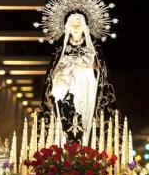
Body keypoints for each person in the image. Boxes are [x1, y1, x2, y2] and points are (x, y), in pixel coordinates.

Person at [41, 11, 117, 145]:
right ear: (67, 26)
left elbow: (100, 72)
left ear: (85, 27)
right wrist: (64, 71)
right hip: (65, 91)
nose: (76, 27)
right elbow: (53, 72)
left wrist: (84, 67)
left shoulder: (93, 46)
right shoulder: (61, 47)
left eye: (79, 24)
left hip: (86, 89)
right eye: (73, 24)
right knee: (65, 120)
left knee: (86, 120)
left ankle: (87, 145)